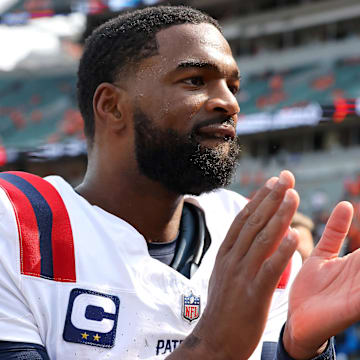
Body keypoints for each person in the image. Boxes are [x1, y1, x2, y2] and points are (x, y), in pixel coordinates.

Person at [0, 5, 358, 360]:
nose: (229, 102)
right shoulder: (18, 228)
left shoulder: (248, 235)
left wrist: (301, 348)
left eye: (232, 85)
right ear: (111, 106)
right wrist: (213, 347)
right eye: (195, 80)